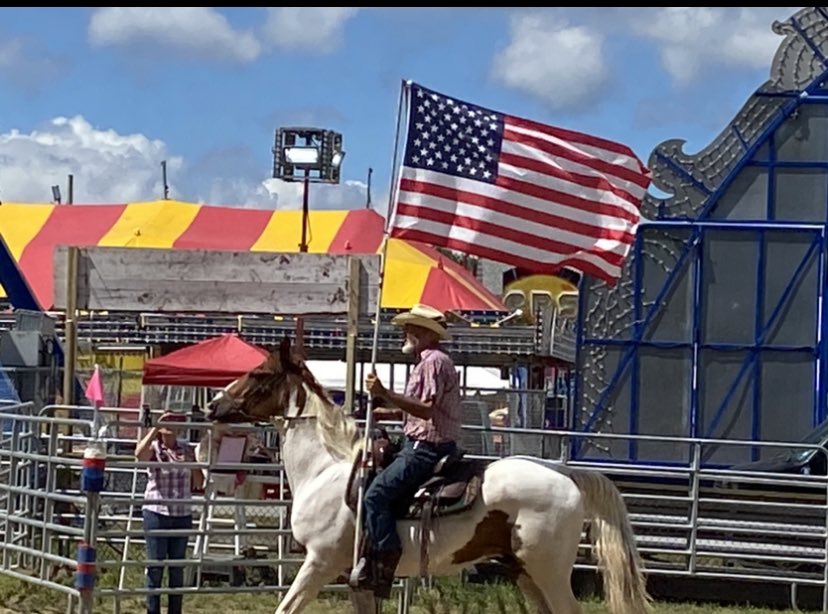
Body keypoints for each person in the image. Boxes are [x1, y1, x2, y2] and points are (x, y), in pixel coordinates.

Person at [351, 304, 463, 598]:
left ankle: (385, 560)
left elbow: (425, 410)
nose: (405, 332)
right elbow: (424, 410)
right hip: (424, 441)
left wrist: (384, 393)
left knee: (374, 496)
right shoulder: (431, 361)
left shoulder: (432, 363)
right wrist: (385, 412)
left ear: (426, 333)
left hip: (426, 448)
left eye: (411, 327)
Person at [135, 411, 203, 614]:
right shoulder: (154, 448)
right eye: (167, 420)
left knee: (177, 568)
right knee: (155, 567)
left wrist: (193, 465)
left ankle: (175, 611)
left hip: (181, 514)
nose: (171, 425)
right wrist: (155, 428)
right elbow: (139, 455)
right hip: (157, 512)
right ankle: (152, 611)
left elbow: (198, 482)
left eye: (175, 420)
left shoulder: (187, 449)